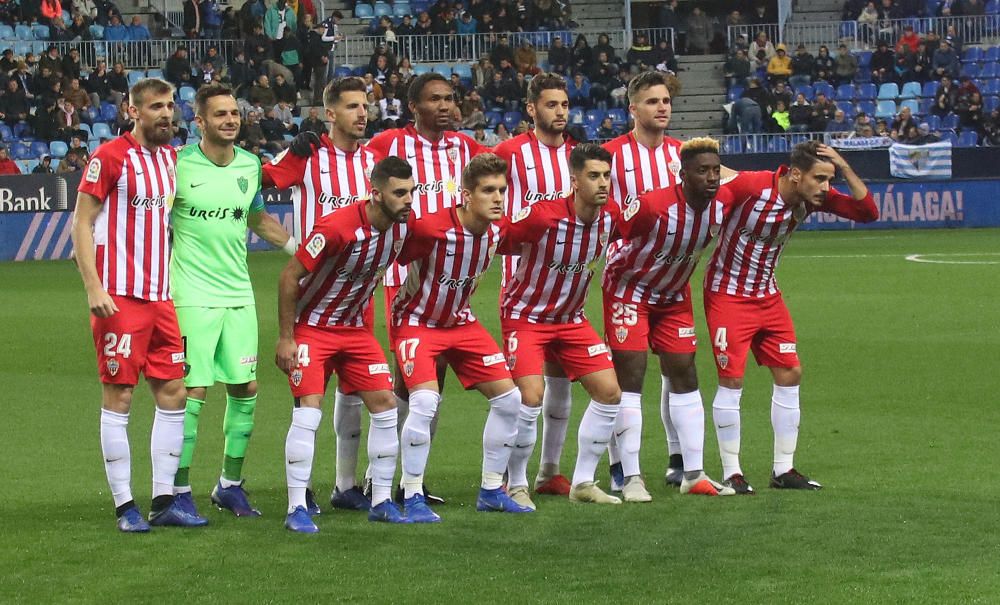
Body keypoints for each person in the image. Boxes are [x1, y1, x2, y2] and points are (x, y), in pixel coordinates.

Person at [70, 78, 207, 532]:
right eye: (156, 107)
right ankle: (125, 505)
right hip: (119, 297)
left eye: (170, 106)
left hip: (162, 297)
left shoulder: (173, 158)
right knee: (120, 395)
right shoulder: (110, 157)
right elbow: (82, 223)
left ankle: (164, 500)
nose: (167, 114)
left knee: (174, 393)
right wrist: (94, 287)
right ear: (134, 112)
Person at [706, 142, 878, 494]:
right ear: (795, 174)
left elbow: (867, 212)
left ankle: (783, 470)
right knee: (732, 380)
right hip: (727, 296)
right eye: (820, 178)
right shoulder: (750, 187)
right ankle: (732, 472)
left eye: (829, 180)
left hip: (768, 297)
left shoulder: (809, 198)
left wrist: (843, 166)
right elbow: (708, 209)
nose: (826, 189)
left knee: (790, 372)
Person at [168, 83, 293, 519]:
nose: (230, 120)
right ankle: (178, 489)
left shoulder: (249, 165)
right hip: (190, 295)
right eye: (219, 114)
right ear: (199, 122)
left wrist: (301, 251)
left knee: (246, 388)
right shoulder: (179, 164)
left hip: (238, 293)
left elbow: (257, 217)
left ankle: (229, 485)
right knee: (191, 392)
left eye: (234, 113)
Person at [366, 73, 490, 504]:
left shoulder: (466, 148)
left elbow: (495, 170)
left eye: (450, 99)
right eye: (434, 99)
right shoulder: (387, 145)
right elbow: (354, 172)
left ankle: (401, 479)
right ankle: (386, 477)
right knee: (420, 382)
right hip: (404, 275)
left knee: (423, 383)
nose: (445, 106)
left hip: (450, 274)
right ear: (413, 106)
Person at [263, 77, 385, 513]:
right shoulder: (309, 157)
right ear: (329, 114)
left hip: (357, 297)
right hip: (311, 295)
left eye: (364, 106)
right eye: (351, 106)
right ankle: (302, 489)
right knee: (308, 397)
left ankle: (346, 484)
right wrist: (288, 153)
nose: (361, 113)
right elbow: (257, 182)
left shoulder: (376, 163)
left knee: (353, 394)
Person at [275, 157, 413, 533]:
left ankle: (382, 500)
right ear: (375, 193)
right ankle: (296, 507)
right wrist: (287, 338)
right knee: (309, 410)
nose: (408, 200)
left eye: (411, 191)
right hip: (313, 327)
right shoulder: (336, 227)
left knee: (385, 405)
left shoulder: (401, 229)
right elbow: (290, 277)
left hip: (354, 330)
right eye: (399, 193)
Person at [392, 153, 532, 522]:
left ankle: (490, 489)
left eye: (502, 190)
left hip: (461, 324)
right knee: (424, 402)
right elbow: (394, 254)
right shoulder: (430, 229)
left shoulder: (498, 231)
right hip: (418, 322)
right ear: (466, 195)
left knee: (510, 399)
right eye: (488, 191)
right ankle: (412, 493)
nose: (498, 198)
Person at [603, 137, 738, 498]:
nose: (712, 178)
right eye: (702, 171)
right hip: (628, 289)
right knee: (631, 375)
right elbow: (612, 231)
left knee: (685, 371)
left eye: (715, 170)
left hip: (674, 294)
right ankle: (630, 477)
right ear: (683, 175)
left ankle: (694, 474)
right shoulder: (653, 206)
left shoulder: (722, 203)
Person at [498, 143, 626, 508]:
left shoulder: (610, 216)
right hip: (526, 316)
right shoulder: (542, 216)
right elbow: (499, 239)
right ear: (574, 181)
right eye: (594, 176)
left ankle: (583, 481)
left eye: (606, 176)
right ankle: (516, 483)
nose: (603, 184)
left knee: (609, 392)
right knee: (531, 397)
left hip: (571, 320)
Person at [492, 73, 579, 498]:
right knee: (528, 390)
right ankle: (512, 476)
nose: (560, 112)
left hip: (567, 288)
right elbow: (483, 197)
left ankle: (550, 470)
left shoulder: (579, 156)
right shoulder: (509, 153)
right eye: (551, 105)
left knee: (561, 382)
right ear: (532, 109)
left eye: (564, 105)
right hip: (522, 287)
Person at [601, 69, 686, 491]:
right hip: (628, 279)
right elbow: (599, 212)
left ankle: (679, 459)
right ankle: (621, 467)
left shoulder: (683, 155)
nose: (663, 106)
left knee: (680, 369)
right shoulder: (611, 156)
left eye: (666, 100)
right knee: (628, 373)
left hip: (673, 280)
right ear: (632, 109)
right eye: (653, 101)